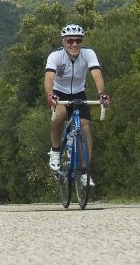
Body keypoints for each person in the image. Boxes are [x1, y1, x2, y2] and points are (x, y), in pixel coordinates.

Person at [44, 24, 111, 184]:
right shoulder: (55, 56)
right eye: (70, 41)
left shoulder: (88, 54)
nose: (75, 44)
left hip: (79, 93)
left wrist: (101, 93)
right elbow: (48, 78)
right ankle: (55, 150)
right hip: (59, 92)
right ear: (64, 42)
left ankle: (84, 171)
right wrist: (50, 95)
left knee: (85, 125)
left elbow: (96, 75)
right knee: (59, 114)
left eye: (78, 40)